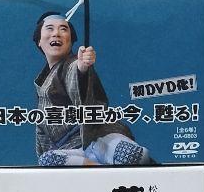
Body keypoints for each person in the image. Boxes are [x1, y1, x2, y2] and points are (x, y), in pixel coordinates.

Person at [32, 12, 151, 167]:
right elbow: (42, 131)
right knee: (47, 160)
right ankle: (97, 169)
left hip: (100, 136)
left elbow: (74, 72)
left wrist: (82, 66)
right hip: (75, 149)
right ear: (39, 41)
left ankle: (105, 166)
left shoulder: (71, 64)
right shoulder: (41, 84)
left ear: (71, 40)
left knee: (133, 156)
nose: (56, 33)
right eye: (50, 28)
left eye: (63, 29)